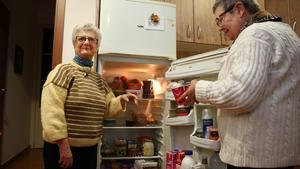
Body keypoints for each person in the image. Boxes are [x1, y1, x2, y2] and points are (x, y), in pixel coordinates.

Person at [178, 0, 300, 169]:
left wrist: (198, 88)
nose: (219, 27)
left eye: (220, 19)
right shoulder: (286, 33)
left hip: (254, 158)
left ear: (239, 9)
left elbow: (241, 94)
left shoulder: (255, 35)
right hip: (278, 156)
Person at [40, 23, 137, 169]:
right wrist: (63, 146)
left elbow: (107, 108)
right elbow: (51, 110)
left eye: (92, 40)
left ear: (97, 46)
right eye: (81, 39)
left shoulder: (99, 79)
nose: (87, 42)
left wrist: (121, 99)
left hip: (90, 148)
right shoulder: (63, 71)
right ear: (74, 43)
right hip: (63, 149)